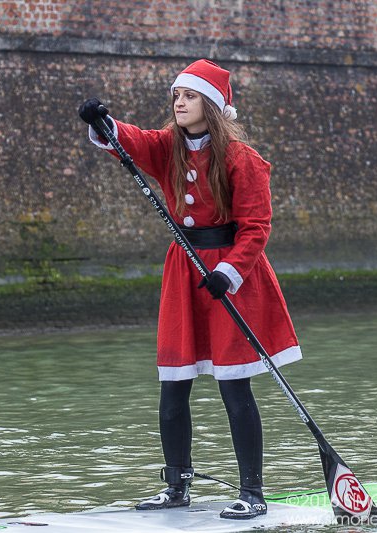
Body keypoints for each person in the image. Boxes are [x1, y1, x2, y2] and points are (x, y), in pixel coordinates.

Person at [78, 59, 302, 520]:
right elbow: (132, 140)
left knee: (233, 387)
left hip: (229, 276)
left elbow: (257, 228)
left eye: (190, 95)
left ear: (213, 105)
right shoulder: (168, 148)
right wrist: (104, 123)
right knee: (173, 384)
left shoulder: (243, 160)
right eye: (176, 94)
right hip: (184, 271)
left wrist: (230, 274)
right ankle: (176, 485)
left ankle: (252, 493)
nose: (179, 102)